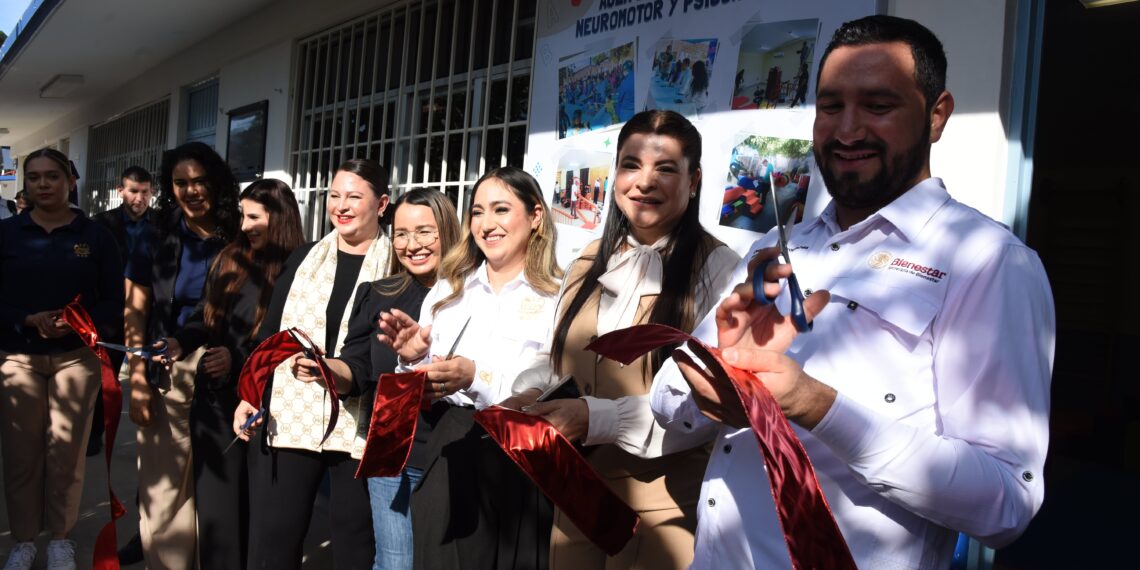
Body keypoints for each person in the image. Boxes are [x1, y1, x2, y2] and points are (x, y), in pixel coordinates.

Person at [650, 15, 1055, 568]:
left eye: (878, 106)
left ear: (937, 116)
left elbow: (1007, 504)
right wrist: (716, 374)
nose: (846, 130)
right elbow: (669, 402)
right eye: (831, 106)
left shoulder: (990, 263)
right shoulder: (778, 243)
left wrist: (817, 406)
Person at [505, 110, 739, 568]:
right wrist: (530, 395)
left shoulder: (720, 270)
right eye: (631, 165)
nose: (644, 182)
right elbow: (561, 361)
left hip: (667, 508)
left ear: (694, 181)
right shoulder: (587, 262)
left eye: (666, 168)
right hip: (576, 492)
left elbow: (710, 403)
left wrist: (596, 419)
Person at [378, 166, 562, 569]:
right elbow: (430, 376)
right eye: (477, 212)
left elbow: (549, 380)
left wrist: (475, 374)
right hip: (453, 444)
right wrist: (414, 358)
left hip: (523, 449)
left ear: (535, 217)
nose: (486, 224)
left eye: (500, 209)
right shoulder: (450, 288)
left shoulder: (559, 294)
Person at [233, 158, 392, 569]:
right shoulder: (305, 258)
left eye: (354, 197)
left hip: (359, 423)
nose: (341, 206)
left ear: (381, 204)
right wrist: (250, 395)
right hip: (291, 415)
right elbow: (271, 333)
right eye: (334, 196)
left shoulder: (396, 266)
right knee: (274, 536)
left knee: (354, 540)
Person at [295, 188, 462, 570]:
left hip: (449, 452)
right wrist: (326, 370)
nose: (411, 244)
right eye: (401, 233)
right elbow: (357, 367)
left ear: (448, 231)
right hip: (390, 451)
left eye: (425, 232)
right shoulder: (376, 294)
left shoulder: (471, 293)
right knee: (394, 563)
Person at [149, 179, 304, 569]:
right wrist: (180, 342)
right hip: (216, 404)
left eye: (255, 216)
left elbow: (293, 338)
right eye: (242, 215)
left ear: (280, 218)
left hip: (271, 408)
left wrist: (237, 359)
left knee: (261, 516)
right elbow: (205, 317)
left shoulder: (301, 267)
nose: (245, 225)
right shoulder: (229, 257)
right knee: (218, 513)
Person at [0, 147, 124, 570]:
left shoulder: (95, 236)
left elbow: (113, 300)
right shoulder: (8, 235)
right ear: (26, 184)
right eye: (33, 178)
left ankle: (60, 538)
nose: (42, 184)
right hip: (19, 357)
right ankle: (22, 539)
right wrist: (26, 320)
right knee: (21, 454)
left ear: (70, 180)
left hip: (76, 357)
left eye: (51, 176)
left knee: (66, 452)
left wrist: (80, 322)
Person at [124, 141, 241, 570]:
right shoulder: (155, 233)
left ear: (216, 183)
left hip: (224, 374)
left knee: (215, 488)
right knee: (165, 488)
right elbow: (134, 307)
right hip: (166, 368)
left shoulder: (239, 232)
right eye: (180, 183)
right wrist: (137, 377)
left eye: (199, 181)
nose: (191, 191)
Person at [89, 165, 155, 457]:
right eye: (132, 191)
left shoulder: (162, 224)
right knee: (104, 379)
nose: (138, 198)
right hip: (111, 315)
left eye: (144, 192)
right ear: (120, 192)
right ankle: (93, 433)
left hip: (148, 315)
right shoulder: (100, 225)